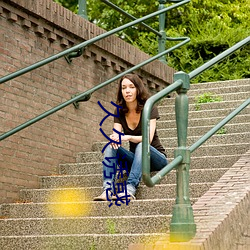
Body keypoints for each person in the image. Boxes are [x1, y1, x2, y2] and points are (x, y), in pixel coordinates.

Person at [93, 73, 168, 201]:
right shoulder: (119, 110)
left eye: (131, 87)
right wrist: (115, 139)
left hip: (155, 158)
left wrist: (127, 137)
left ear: (138, 89)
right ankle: (107, 190)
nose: (127, 91)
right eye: (124, 88)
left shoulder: (149, 107)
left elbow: (148, 140)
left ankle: (130, 188)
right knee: (111, 147)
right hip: (136, 160)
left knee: (141, 145)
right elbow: (116, 136)